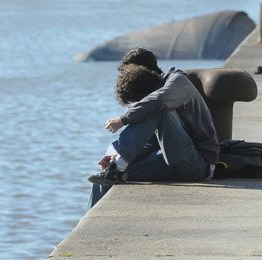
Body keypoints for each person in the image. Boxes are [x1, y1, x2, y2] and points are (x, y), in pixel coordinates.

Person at [87, 48, 220, 203]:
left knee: (157, 110)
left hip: (198, 164)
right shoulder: (153, 100)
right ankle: (87, 219)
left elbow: (159, 101)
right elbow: (150, 141)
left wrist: (122, 120)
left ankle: (119, 166)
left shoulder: (177, 82)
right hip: (166, 159)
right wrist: (114, 155)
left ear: (144, 72)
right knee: (103, 176)